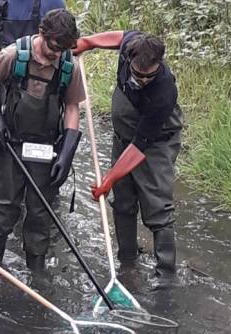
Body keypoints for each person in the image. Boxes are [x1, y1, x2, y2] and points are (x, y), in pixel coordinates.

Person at [0, 9, 86, 271]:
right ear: (42, 34)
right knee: (4, 206)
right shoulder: (14, 54)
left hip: (46, 148)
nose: (56, 53)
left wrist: (67, 153)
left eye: (63, 48)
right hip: (10, 142)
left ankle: (37, 274)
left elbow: (71, 108)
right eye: (53, 46)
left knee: (40, 212)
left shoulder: (69, 66)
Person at [74, 31, 183, 287]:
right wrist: (87, 43)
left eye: (149, 75)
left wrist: (108, 179)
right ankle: (127, 260)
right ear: (129, 59)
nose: (143, 79)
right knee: (122, 201)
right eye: (138, 74)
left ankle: (166, 274)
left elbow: (139, 147)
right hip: (123, 136)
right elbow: (117, 37)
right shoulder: (130, 47)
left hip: (154, 143)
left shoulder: (164, 92)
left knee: (158, 205)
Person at [0, 0, 66, 61]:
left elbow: (59, 46)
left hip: (41, 73)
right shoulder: (2, 4)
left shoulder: (54, 3)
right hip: (8, 73)